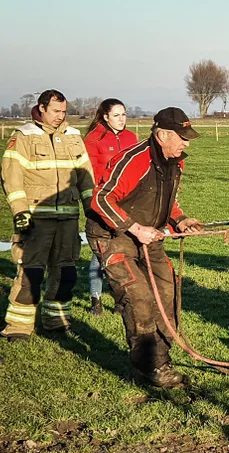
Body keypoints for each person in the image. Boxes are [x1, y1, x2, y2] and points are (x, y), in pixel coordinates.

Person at [86, 107, 203, 388]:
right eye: (182, 137)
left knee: (166, 292)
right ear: (162, 134)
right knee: (138, 296)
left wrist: (180, 219)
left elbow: (166, 202)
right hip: (114, 236)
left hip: (150, 238)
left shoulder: (176, 163)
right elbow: (100, 200)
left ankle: (161, 360)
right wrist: (136, 229)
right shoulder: (135, 160)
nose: (186, 143)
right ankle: (149, 365)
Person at [1, 89, 95, 342]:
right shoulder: (23, 136)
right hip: (36, 219)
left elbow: (85, 175)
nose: (60, 116)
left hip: (68, 218)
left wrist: (91, 208)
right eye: (56, 111)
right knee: (31, 273)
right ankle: (18, 327)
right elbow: (11, 176)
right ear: (41, 108)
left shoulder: (74, 136)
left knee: (66, 274)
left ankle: (56, 321)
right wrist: (20, 212)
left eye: (64, 111)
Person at [84, 98, 138, 315]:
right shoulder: (93, 139)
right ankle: (96, 299)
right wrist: (97, 201)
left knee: (123, 251)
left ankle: (121, 299)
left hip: (126, 203)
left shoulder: (131, 137)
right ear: (105, 117)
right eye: (116, 115)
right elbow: (89, 173)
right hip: (102, 203)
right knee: (100, 254)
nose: (121, 119)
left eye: (124, 114)